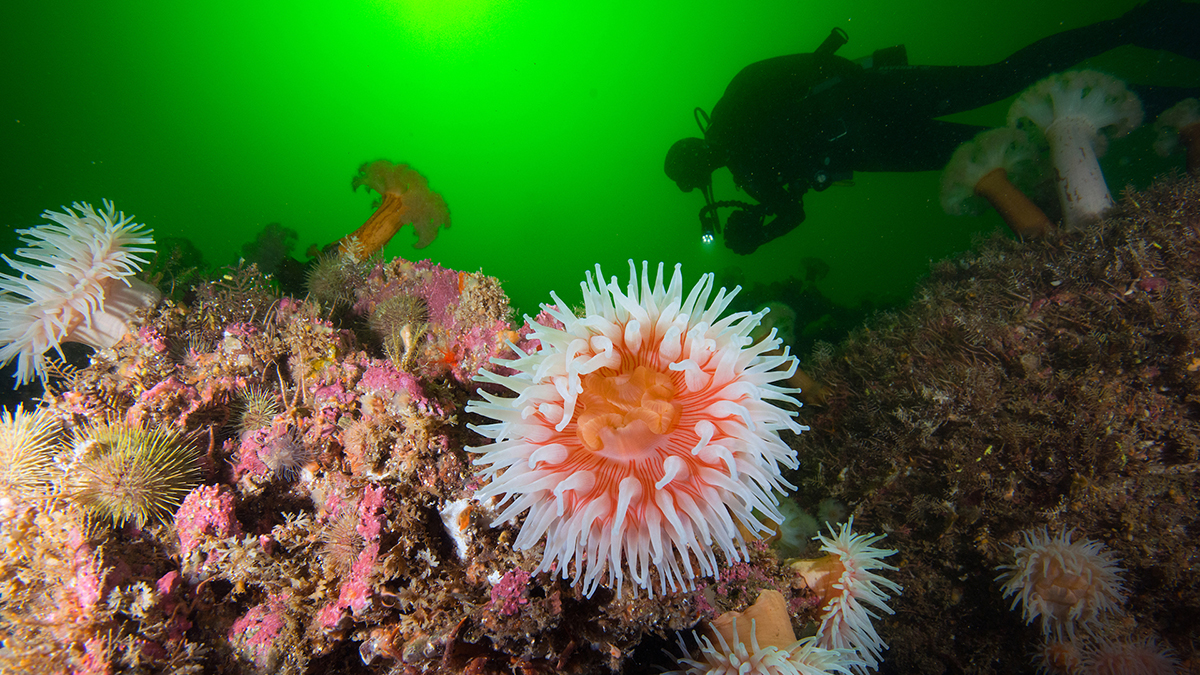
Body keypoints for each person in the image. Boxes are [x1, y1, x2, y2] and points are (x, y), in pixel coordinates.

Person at [665, 1, 1200, 255]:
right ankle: (1160, 102)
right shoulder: (751, 176)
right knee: (1014, 142)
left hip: (876, 98)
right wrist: (757, 231)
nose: (702, 169)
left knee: (1003, 77)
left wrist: (856, 88)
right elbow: (795, 209)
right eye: (693, 176)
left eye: (692, 163)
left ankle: (1138, 25)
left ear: (694, 144)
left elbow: (797, 67)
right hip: (881, 145)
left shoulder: (736, 105)